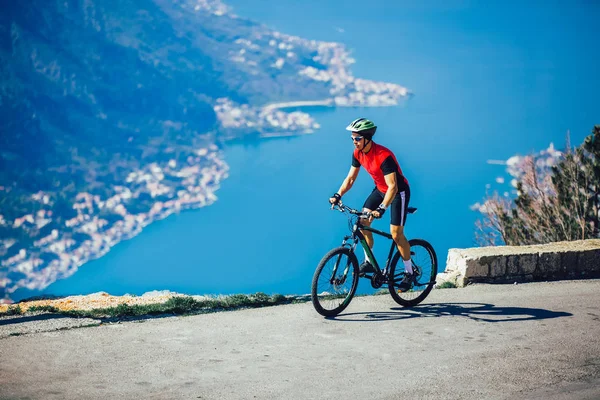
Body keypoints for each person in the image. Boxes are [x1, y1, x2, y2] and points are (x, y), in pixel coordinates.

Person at [328, 117, 414, 292]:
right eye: (352, 138)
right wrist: (338, 194)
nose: (354, 142)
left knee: (396, 234)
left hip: (398, 192)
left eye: (358, 139)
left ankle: (409, 272)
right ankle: (369, 261)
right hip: (380, 190)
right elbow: (351, 178)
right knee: (362, 223)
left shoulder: (384, 156)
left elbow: (393, 186)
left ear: (367, 138)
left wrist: (382, 208)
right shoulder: (357, 153)